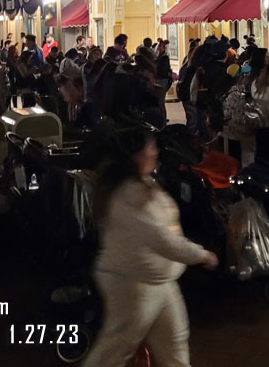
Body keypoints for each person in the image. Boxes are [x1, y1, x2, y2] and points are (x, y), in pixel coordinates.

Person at [86, 130, 217, 367]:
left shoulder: (141, 184)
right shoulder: (129, 195)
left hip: (160, 282)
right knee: (113, 353)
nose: (156, 152)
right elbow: (161, 240)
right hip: (132, 285)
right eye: (151, 147)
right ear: (136, 156)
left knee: (174, 345)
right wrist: (202, 255)